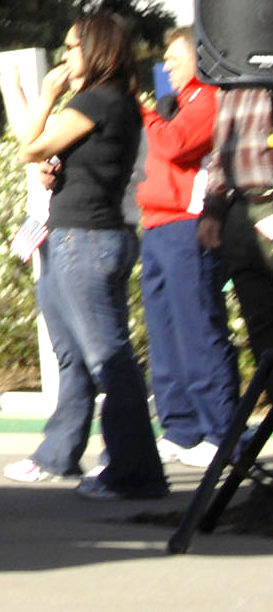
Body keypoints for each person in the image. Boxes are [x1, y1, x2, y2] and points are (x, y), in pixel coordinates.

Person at [3, 12, 168, 499]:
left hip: (85, 241)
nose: (65, 56)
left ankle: (135, 471)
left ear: (95, 50)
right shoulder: (111, 103)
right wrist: (61, 174)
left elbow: (28, 149)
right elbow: (67, 162)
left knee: (109, 359)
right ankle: (60, 454)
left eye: (72, 47)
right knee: (75, 353)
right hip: (79, 234)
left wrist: (45, 97)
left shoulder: (98, 99)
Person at [138, 27, 238, 468]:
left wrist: (143, 113)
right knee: (163, 334)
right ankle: (181, 428)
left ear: (199, 57)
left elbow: (175, 145)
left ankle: (221, 430)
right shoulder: (177, 105)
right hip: (157, 226)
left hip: (187, 227)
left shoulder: (208, 98)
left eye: (175, 57)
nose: (166, 67)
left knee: (197, 330)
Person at [196, 57, 273, 376]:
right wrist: (212, 210)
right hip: (240, 208)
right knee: (260, 323)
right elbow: (219, 157)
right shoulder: (228, 87)